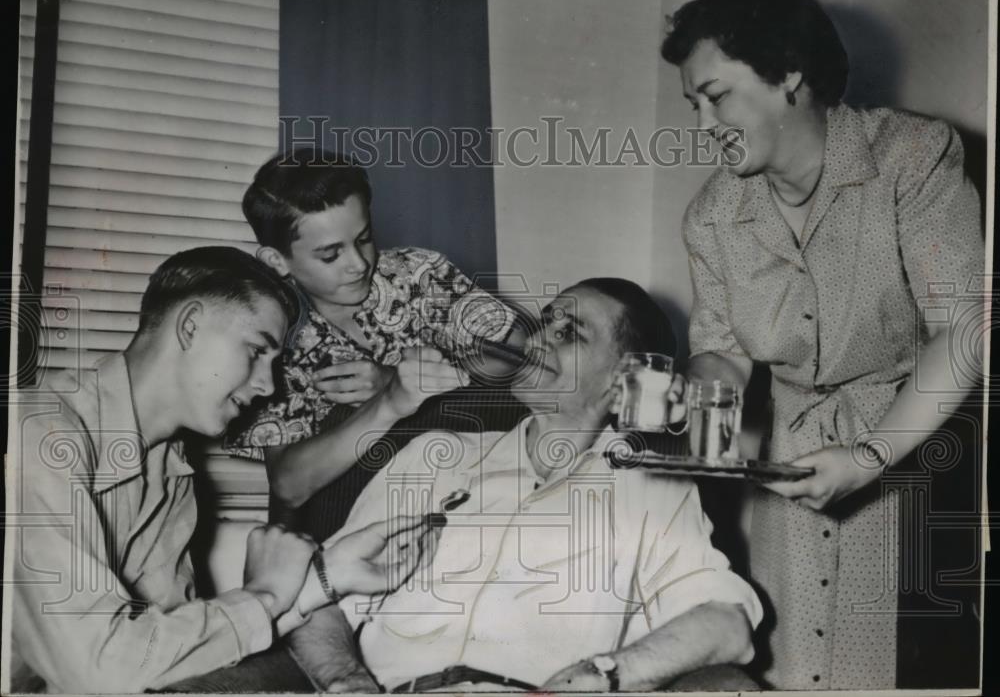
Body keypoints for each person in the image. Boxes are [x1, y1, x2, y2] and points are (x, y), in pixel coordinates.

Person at [660, 0, 985, 690]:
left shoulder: (913, 157)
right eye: (694, 104)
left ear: (788, 76)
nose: (703, 121)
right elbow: (723, 349)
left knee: (903, 671)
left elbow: (961, 332)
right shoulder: (713, 215)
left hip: (916, 454)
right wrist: (700, 398)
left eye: (716, 95)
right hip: (792, 469)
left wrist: (871, 455)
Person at [286, 278, 764, 692]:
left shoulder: (653, 488)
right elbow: (317, 598)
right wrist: (347, 683)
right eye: (544, 323)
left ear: (624, 381)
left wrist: (600, 676)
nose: (535, 341)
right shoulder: (433, 458)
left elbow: (726, 622)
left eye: (568, 333)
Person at [8, 247, 429, 693]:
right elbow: (98, 671)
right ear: (190, 326)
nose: (268, 386)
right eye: (255, 350)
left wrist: (325, 578)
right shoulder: (39, 433)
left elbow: (163, 656)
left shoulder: (170, 470)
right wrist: (266, 593)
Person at [226, 149, 518, 522]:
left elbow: (521, 358)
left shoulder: (419, 274)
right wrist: (387, 402)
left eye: (363, 239)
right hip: (349, 530)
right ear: (276, 261)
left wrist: (404, 381)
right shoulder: (270, 334)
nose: (359, 264)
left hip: (471, 502)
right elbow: (288, 485)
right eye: (330, 255)